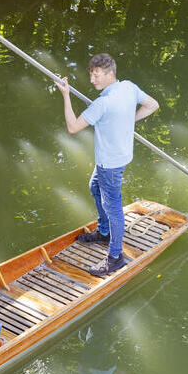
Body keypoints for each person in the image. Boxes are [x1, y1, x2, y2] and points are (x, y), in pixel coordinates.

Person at [56, 53, 159, 276]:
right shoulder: (129, 87)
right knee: (94, 187)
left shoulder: (102, 104)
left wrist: (65, 95)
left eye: (96, 75)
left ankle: (115, 257)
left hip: (109, 164)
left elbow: (73, 127)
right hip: (118, 157)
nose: (92, 80)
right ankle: (104, 232)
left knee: (114, 209)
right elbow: (152, 105)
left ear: (110, 73)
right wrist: (128, 119)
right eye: (91, 75)